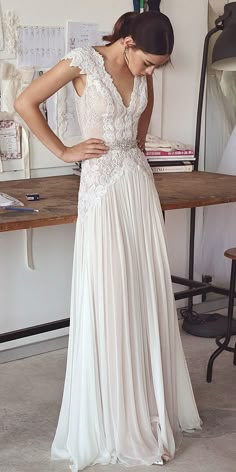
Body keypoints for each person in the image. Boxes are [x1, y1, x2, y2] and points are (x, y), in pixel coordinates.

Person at [15, 10, 202, 472]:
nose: (151, 72)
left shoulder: (146, 74)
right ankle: (112, 417)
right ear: (127, 43)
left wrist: (132, 161)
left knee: (142, 294)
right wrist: (64, 151)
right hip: (100, 189)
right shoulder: (82, 62)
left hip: (136, 185)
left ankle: (147, 405)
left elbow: (137, 138)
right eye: (148, 63)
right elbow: (24, 102)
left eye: (159, 66)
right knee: (111, 295)